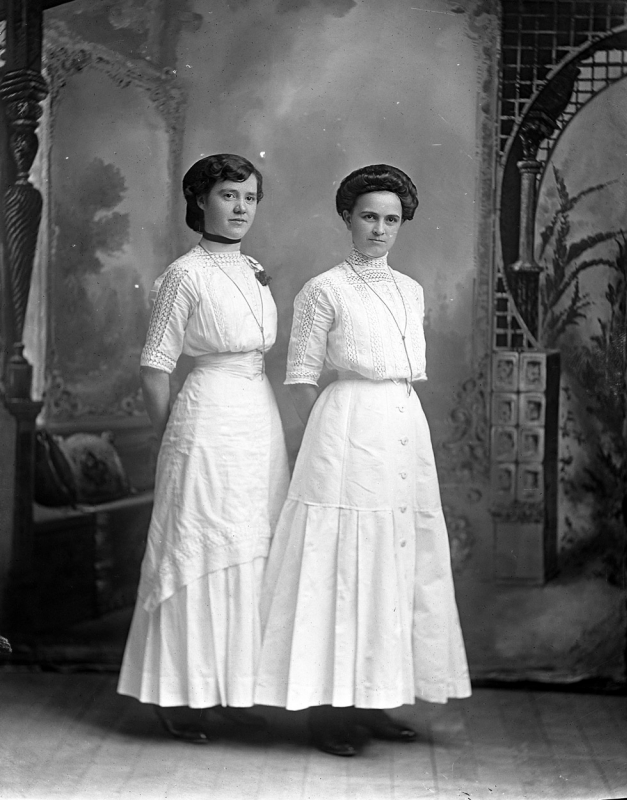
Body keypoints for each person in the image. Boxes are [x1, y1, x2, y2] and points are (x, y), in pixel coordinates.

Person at [255, 164, 471, 756]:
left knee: (394, 559)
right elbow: (300, 379)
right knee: (342, 564)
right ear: (347, 218)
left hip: (402, 426)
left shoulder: (411, 290)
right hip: (346, 430)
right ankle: (327, 712)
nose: (379, 229)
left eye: (391, 220)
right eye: (369, 217)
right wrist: (328, 445)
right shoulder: (323, 290)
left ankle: (374, 698)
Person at [118, 153, 289, 742]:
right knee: (200, 547)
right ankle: (181, 696)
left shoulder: (254, 268)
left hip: (257, 418)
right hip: (207, 417)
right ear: (200, 200)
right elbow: (154, 368)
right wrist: (171, 436)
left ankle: (234, 691)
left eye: (249, 197)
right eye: (228, 195)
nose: (240, 208)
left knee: (250, 548)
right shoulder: (183, 275)